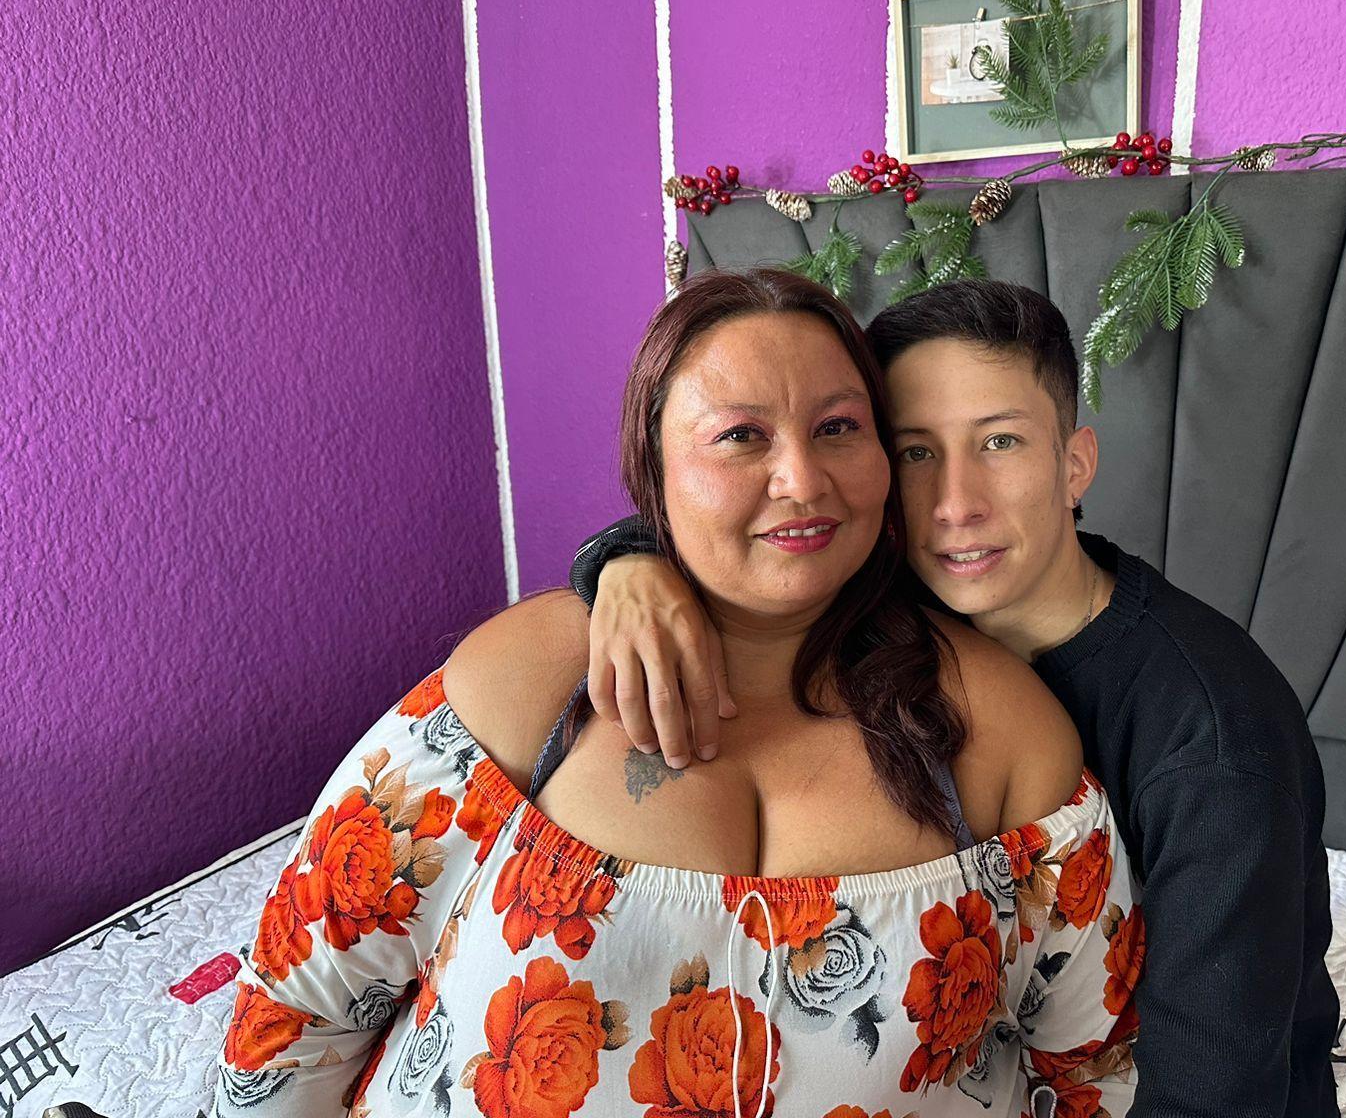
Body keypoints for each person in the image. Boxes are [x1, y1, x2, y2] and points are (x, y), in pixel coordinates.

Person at [210, 268, 1144, 1118]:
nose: (802, 479)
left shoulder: (1003, 731)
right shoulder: (532, 682)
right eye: (740, 436)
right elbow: (299, 1010)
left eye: (838, 428)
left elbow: (1087, 1073)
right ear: (653, 469)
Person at [567, 279, 1342, 1118]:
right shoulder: (896, 601)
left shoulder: (1214, 740)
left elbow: (1215, 1093)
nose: (955, 505)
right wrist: (629, 560)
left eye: (1000, 441)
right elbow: (736, 523)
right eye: (914, 452)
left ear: (1074, 464)